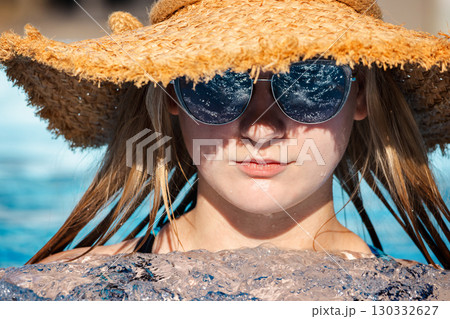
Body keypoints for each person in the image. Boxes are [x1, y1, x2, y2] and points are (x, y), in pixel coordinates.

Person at [1, 0, 448, 268]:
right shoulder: (57, 289)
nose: (261, 128)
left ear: (362, 96)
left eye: (309, 82)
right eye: (217, 83)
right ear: (172, 91)